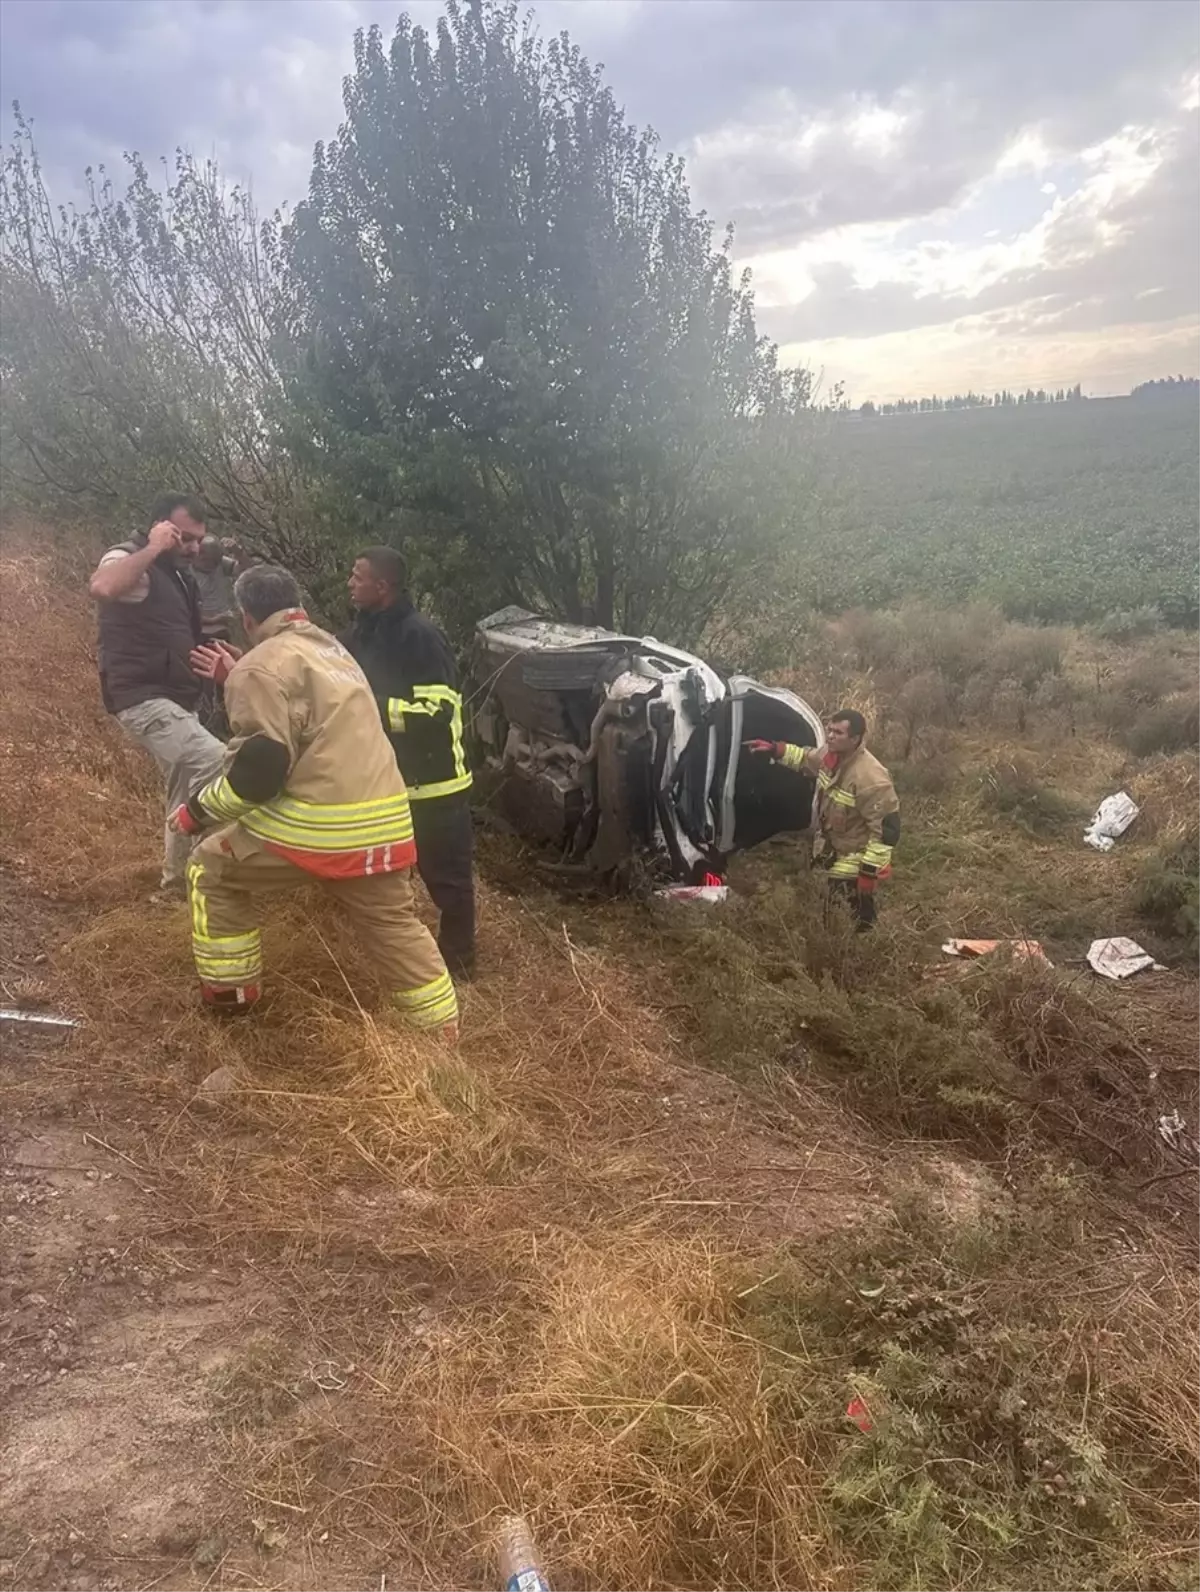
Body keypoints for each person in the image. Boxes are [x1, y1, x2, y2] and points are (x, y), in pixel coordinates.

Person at [177, 564, 458, 1039]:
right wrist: (243, 669)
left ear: (247, 617)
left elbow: (260, 771)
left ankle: (230, 998)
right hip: (385, 823)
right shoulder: (333, 650)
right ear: (296, 605)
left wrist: (197, 812)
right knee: (394, 925)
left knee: (211, 868)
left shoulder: (259, 667)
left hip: (319, 830)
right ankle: (440, 1030)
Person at [338, 547, 476, 977]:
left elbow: (438, 715)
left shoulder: (421, 636)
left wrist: (371, 707)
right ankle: (405, 962)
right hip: (386, 783)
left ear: (383, 587)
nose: (349, 583)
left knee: (447, 885)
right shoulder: (360, 635)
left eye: (357, 576)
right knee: (389, 880)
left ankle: (459, 970)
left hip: (435, 787)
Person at [89, 493, 226, 899]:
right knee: (222, 765)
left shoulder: (179, 574)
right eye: (183, 537)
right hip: (144, 698)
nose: (193, 547)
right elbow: (102, 587)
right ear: (160, 527)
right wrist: (152, 546)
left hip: (177, 701)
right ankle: (214, 874)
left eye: (198, 539)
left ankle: (175, 888)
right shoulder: (131, 557)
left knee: (184, 794)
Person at [745, 709, 900, 929]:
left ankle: (864, 948)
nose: (830, 736)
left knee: (849, 914)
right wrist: (775, 750)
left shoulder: (871, 778)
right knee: (830, 909)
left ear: (855, 739)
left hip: (856, 857)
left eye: (838, 732)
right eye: (829, 730)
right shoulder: (830, 756)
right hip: (831, 848)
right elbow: (804, 759)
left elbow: (886, 832)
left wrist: (868, 873)